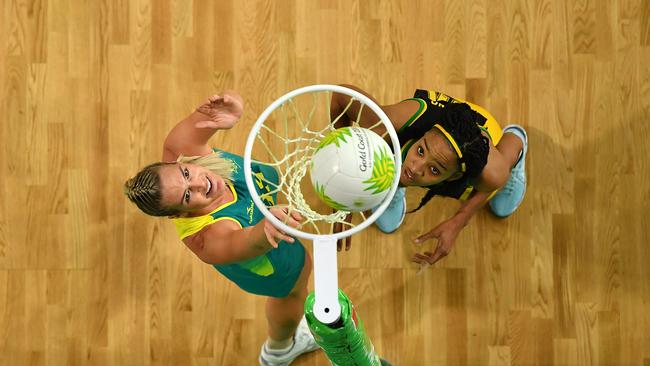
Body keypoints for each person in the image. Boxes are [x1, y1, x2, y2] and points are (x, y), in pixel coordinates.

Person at [124, 91, 320, 365]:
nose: (199, 183)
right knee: (296, 288)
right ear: (180, 214)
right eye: (187, 196)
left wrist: (224, 115)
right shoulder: (209, 239)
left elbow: (204, 120)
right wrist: (267, 228)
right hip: (270, 262)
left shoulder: (180, 149)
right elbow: (248, 240)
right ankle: (279, 349)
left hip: (269, 210)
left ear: (177, 163)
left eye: (186, 174)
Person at [330, 85, 528, 267]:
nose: (416, 167)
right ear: (423, 136)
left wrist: (459, 221)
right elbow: (341, 96)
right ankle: (395, 184)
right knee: (390, 162)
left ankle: (516, 155)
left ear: (455, 176)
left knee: (506, 163)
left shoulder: (489, 172)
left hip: (491, 138)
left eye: (435, 170)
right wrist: (346, 187)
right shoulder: (390, 125)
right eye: (421, 151)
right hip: (443, 122)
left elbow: (490, 181)